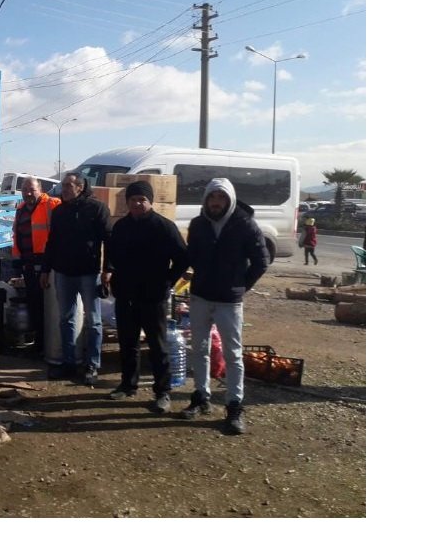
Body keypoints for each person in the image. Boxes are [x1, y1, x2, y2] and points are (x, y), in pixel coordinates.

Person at [178, 178, 270, 435]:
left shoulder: (245, 224)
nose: (216, 202)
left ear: (229, 199)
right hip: (200, 297)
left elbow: (261, 261)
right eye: (211, 198)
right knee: (199, 348)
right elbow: (191, 254)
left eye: (221, 198)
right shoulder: (198, 225)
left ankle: (234, 405)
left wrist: (241, 285)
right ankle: (200, 396)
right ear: (206, 200)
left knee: (233, 354)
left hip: (229, 301)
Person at [104, 181, 189, 413]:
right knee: (128, 343)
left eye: (142, 199)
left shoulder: (164, 226)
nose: (137, 203)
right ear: (128, 202)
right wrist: (110, 275)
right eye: (133, 200)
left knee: (157, 345)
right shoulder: (121, 226)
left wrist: (167, 282)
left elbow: (183, 258)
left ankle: (162, 392)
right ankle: (127, 385)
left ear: (150, 201)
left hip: (154, 296)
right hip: (126, 295)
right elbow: (111, 253)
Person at [42, 171, 111, 385]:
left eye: (67, 186)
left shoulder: (97, 209)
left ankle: (92, 365)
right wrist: (46, 270)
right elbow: (51, 242)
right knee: (66, 319)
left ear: (79, 187)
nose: (63, 189)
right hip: (64, 273)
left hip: (89, 273)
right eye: (63, 186)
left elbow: (109, 240)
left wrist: (108, 269)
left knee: (93, 320)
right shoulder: (60, 212)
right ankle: (68, 362)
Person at [11, 176, 61, 355]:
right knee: (34, 304)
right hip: (28, 265)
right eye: (25, 190)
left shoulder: (52, 204)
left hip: (47, 265)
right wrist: (17, 261)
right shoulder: (21, 209)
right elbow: (16, 235)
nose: (28, 193)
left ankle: (50, 344)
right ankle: (39, 343)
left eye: (32, 189)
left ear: (40, 189)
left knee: (49, 306)